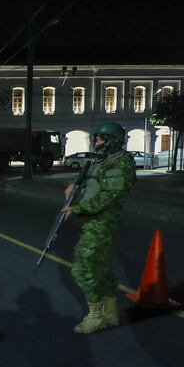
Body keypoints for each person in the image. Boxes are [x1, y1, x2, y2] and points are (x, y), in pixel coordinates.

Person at [63, 122, 136, 334]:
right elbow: (87, 177)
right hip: (93, 223)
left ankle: (95, 315)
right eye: (96, 138)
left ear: (112, 141)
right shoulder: (103, 160)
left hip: (102, 223)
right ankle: (110, 313)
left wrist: (76, 209)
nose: (97, 141)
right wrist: (72, 183)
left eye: (101, 138)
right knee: (101, 268)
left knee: (81, 269)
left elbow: (107, 198)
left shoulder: (120, 163)